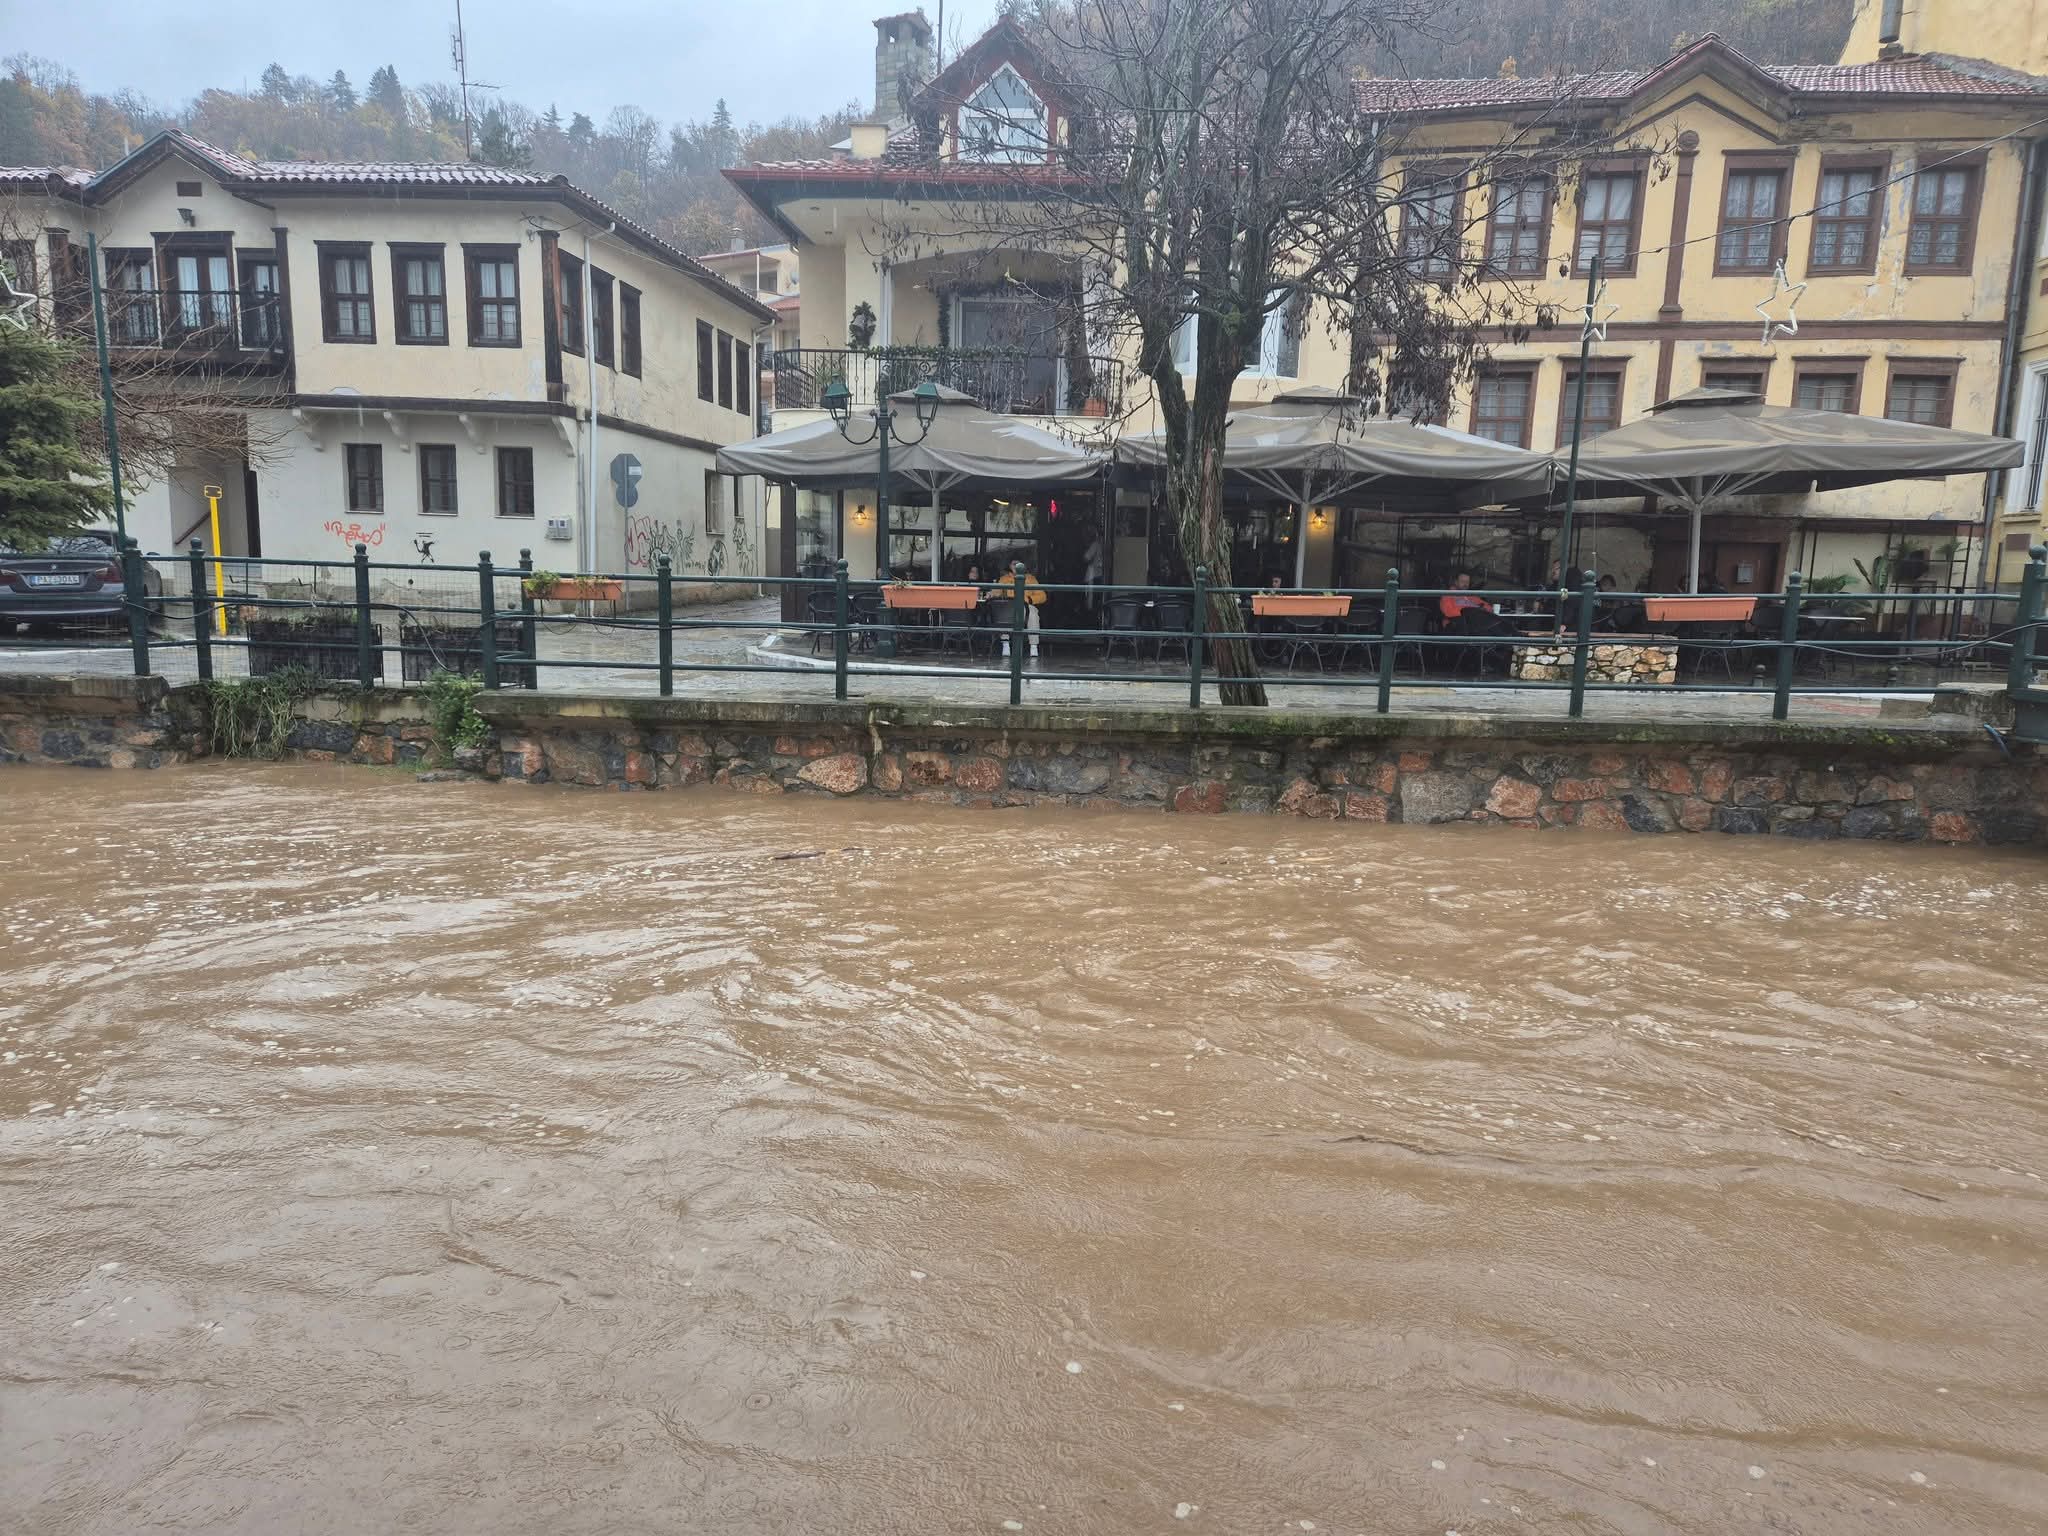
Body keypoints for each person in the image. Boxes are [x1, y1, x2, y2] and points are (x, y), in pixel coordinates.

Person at [986, 565, 1047, 658]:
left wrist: (1029, 599)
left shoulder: (1031, 578)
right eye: (1013, 563)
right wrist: (991, 594)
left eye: (1018, 563)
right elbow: (996, 592)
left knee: (1033, 614)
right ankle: (1005, 644)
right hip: (1008, 606)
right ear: (1009, 566)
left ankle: (1033, 646)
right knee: (1002, 612)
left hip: (1025, 605)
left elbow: (1042, 596)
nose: (1015, 566)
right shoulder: (1004, 579)